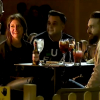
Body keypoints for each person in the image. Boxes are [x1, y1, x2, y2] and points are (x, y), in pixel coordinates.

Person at [0, 13, 33, 88]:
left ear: (23, 28)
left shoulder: (29, 47)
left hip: (26, 80)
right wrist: (16, 78)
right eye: (12, 26)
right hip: (7, 83)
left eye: (18, 26)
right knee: (32, 81)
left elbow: (33, 69)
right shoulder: (2, 48)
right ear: (9, 29)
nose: (15, 29)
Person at [85, 11, 100, 88]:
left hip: (95, 93)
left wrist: (86, 90)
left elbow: (98, 74)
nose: (88, 31)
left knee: (66, 83)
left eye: (92, 27)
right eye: (88, 27)